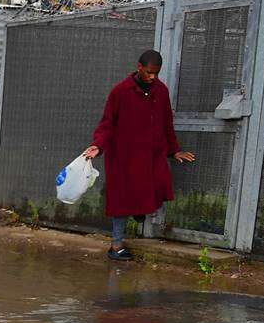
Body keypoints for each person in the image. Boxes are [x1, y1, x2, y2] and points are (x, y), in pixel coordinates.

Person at [83, 49, 196, 261]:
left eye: (156, 73)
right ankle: (116, 246)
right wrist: (98, 146)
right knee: (122, 199)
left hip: (151, 155)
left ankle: (139, 208)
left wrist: (174, 150)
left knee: (158, 185)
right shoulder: (121, 92)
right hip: (124, 156)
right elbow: (107, 123)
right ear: (139, 67)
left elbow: (166, 124)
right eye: (149, 72)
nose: (153, 77)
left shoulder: (160, 91)